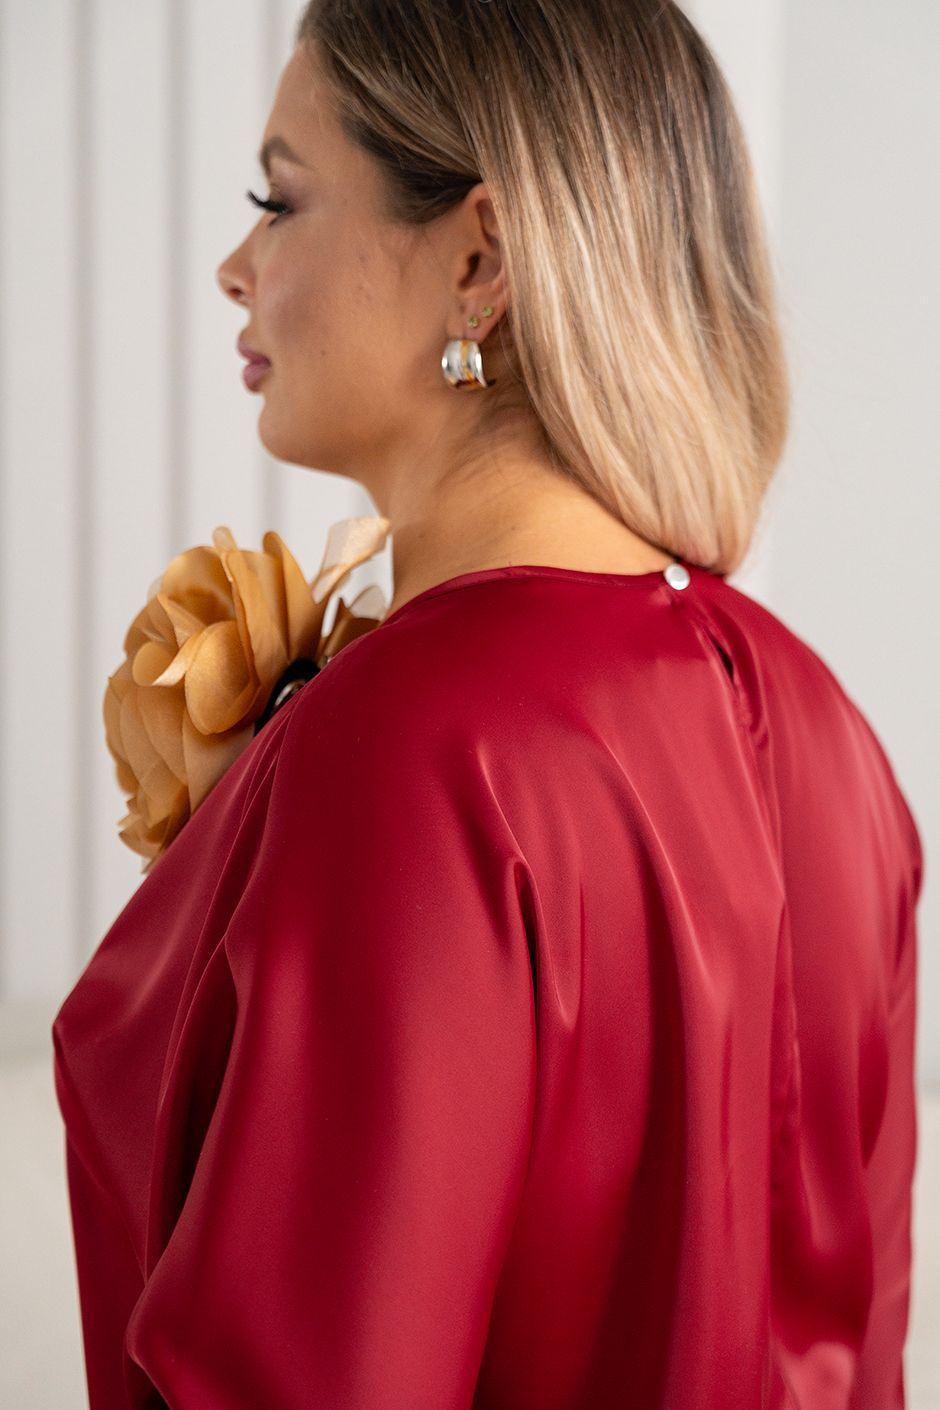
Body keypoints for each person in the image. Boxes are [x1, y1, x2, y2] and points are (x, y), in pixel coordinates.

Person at [51, 2, 924, 1407]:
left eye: (280, 200)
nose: (234, 266)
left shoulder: (410, 744)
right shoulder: (833, 737)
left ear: (479, 262)